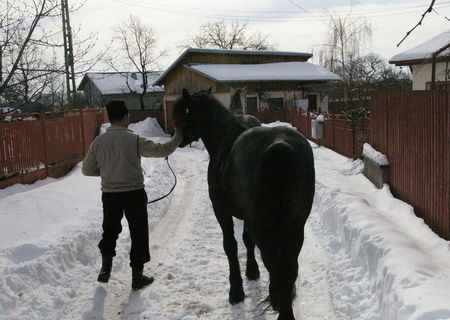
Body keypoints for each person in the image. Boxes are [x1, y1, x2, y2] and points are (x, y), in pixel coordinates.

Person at [82, 100, 183, 291]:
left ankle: (105, 268)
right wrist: (179, 135)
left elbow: (87, 170)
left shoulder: (98, 142)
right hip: (134, 194)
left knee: (110, 231)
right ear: (126, 117)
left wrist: (107, 173)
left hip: (110, 195)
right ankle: (137, 277)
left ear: (109, 118)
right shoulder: (134, 139)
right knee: (138, 233)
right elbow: (163, 150)